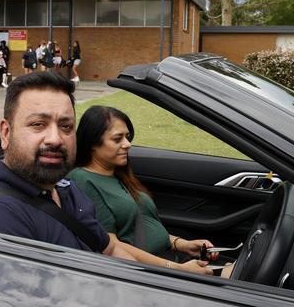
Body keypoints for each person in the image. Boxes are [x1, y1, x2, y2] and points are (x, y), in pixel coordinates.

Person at [0, 73, 211, 274]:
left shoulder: (66, 189)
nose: (55, 138)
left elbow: (109, 249)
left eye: (66, 126)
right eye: (38, 124)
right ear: (6, 133)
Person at [67, 106, 217, 266]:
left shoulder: (119, 174)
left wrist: (184, 244)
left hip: (170, 258)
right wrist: (176, 269)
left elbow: (145, 227)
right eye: (117, 139)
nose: (127, 144)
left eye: (127, 137)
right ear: (93, 143)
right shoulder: (82, 180)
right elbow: (110, 245)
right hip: (149, 272)